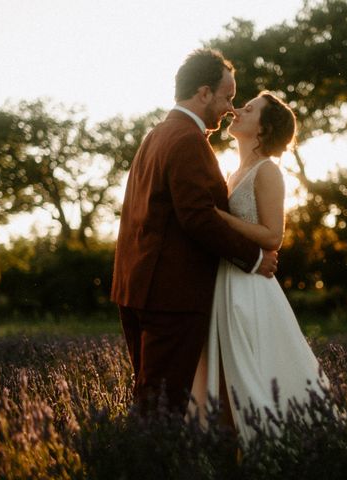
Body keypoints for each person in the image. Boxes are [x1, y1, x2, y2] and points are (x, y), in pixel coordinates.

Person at [111, 49, 278, 415]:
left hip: (137, 286)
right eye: (227, 96)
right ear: (204, 93)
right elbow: (198, 218)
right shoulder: (187, 140)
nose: (231, 108)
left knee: (150, 397)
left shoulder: (157, 134)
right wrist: (254, 259)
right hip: (171, 296)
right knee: (162, 407)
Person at [189, 92, 332, 443]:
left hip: (248, 287)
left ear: (264, 129)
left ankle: (268, 443)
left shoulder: (268, 171)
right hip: (225, 280)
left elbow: (273, 236)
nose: (238, 110)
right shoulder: (234, 171)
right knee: (224, 370)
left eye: (249, 109)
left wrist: (217, 217)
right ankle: (228, 448)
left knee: (251, 368)